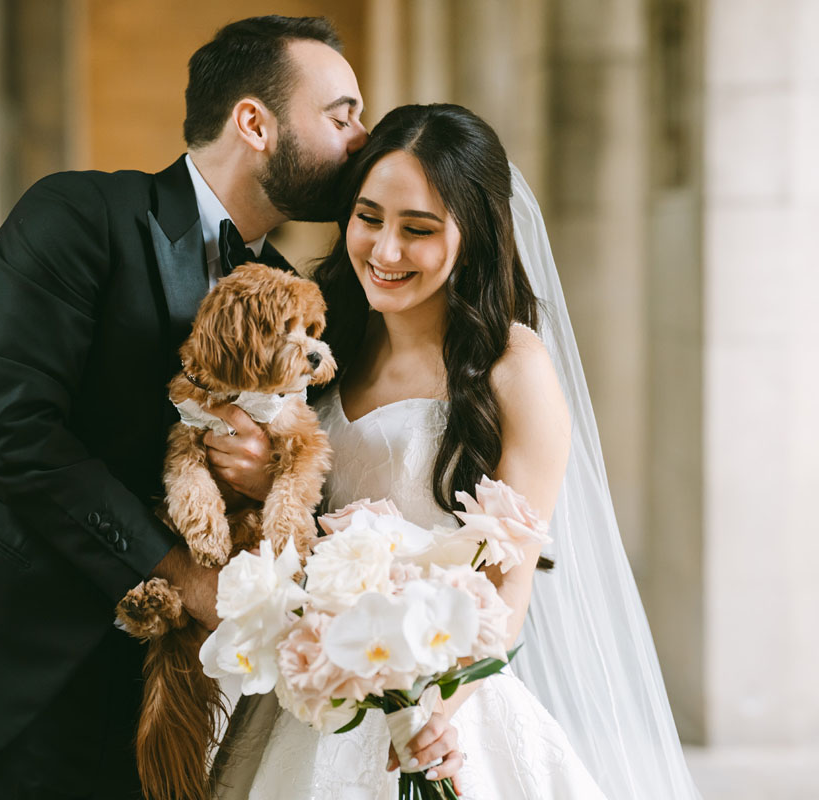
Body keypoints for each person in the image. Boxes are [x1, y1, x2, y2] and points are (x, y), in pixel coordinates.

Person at [0, 15, 366, 800]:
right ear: (255, 122)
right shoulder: (76, 216)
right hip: (22, 674)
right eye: (341, 115)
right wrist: (179, 577)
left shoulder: (297, 300)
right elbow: (18, 433)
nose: (360, 138)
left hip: (181, 696)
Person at [212, 104, 701, 798]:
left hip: (443, 697)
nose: (384, 251)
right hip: (314, 686)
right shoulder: (325, 334)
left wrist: (436, 712)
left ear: (473, 237)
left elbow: (511, 583)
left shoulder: (512, 366)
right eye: (368, 217)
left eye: (418, 230)